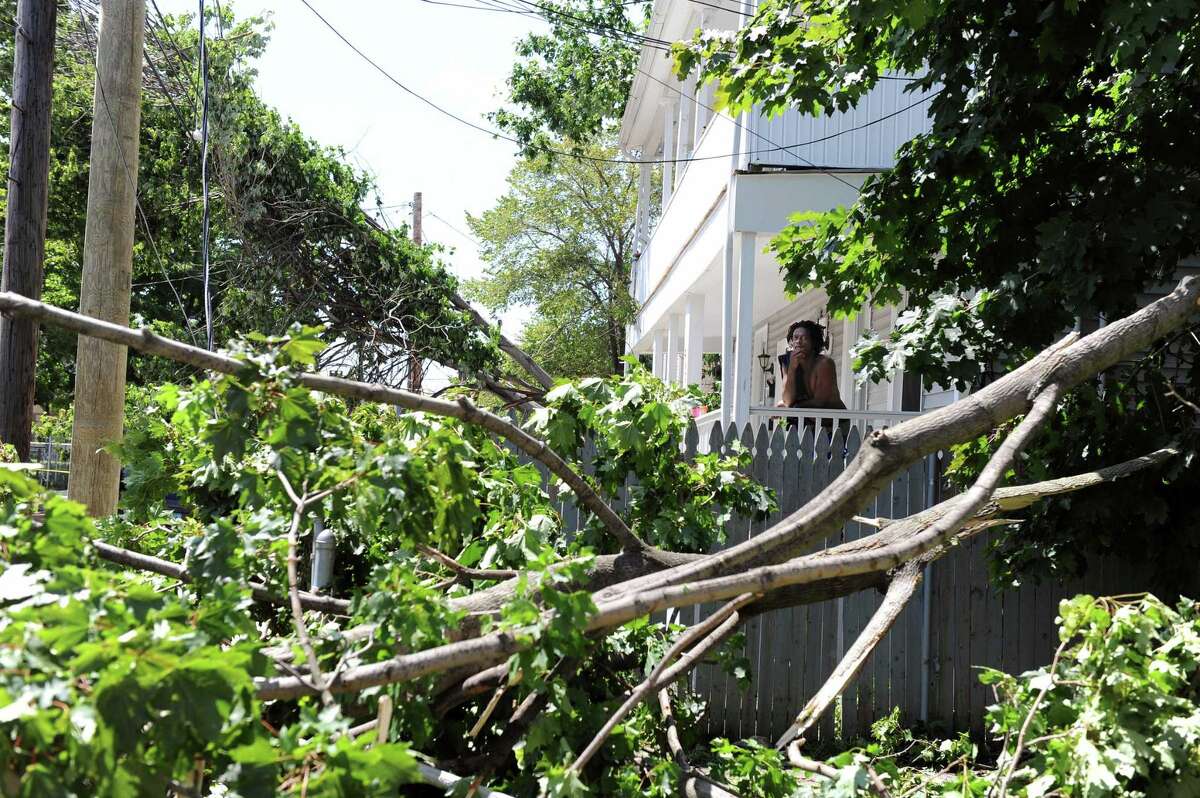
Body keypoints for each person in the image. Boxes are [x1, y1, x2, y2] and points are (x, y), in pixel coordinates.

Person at [776, 320, 846, 425]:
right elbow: (788, 400)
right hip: (805, 425)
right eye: (795, 338)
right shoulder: (787, 362)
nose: (798, 342)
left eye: (804, 338)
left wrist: (793, 407)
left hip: (833, 426)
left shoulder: (824, 363)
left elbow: (820, 402)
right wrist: (792, 369)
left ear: (813, 342)